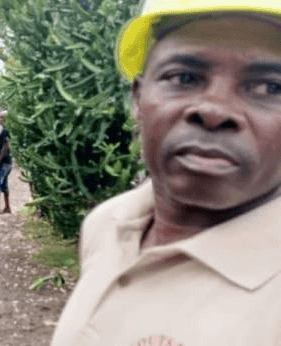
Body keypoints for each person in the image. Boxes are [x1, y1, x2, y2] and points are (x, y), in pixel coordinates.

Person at [52, 2, 281, 345]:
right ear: (137, 98)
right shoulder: (107, 224)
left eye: (270, 87)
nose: (214, 110)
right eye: (184, 77)